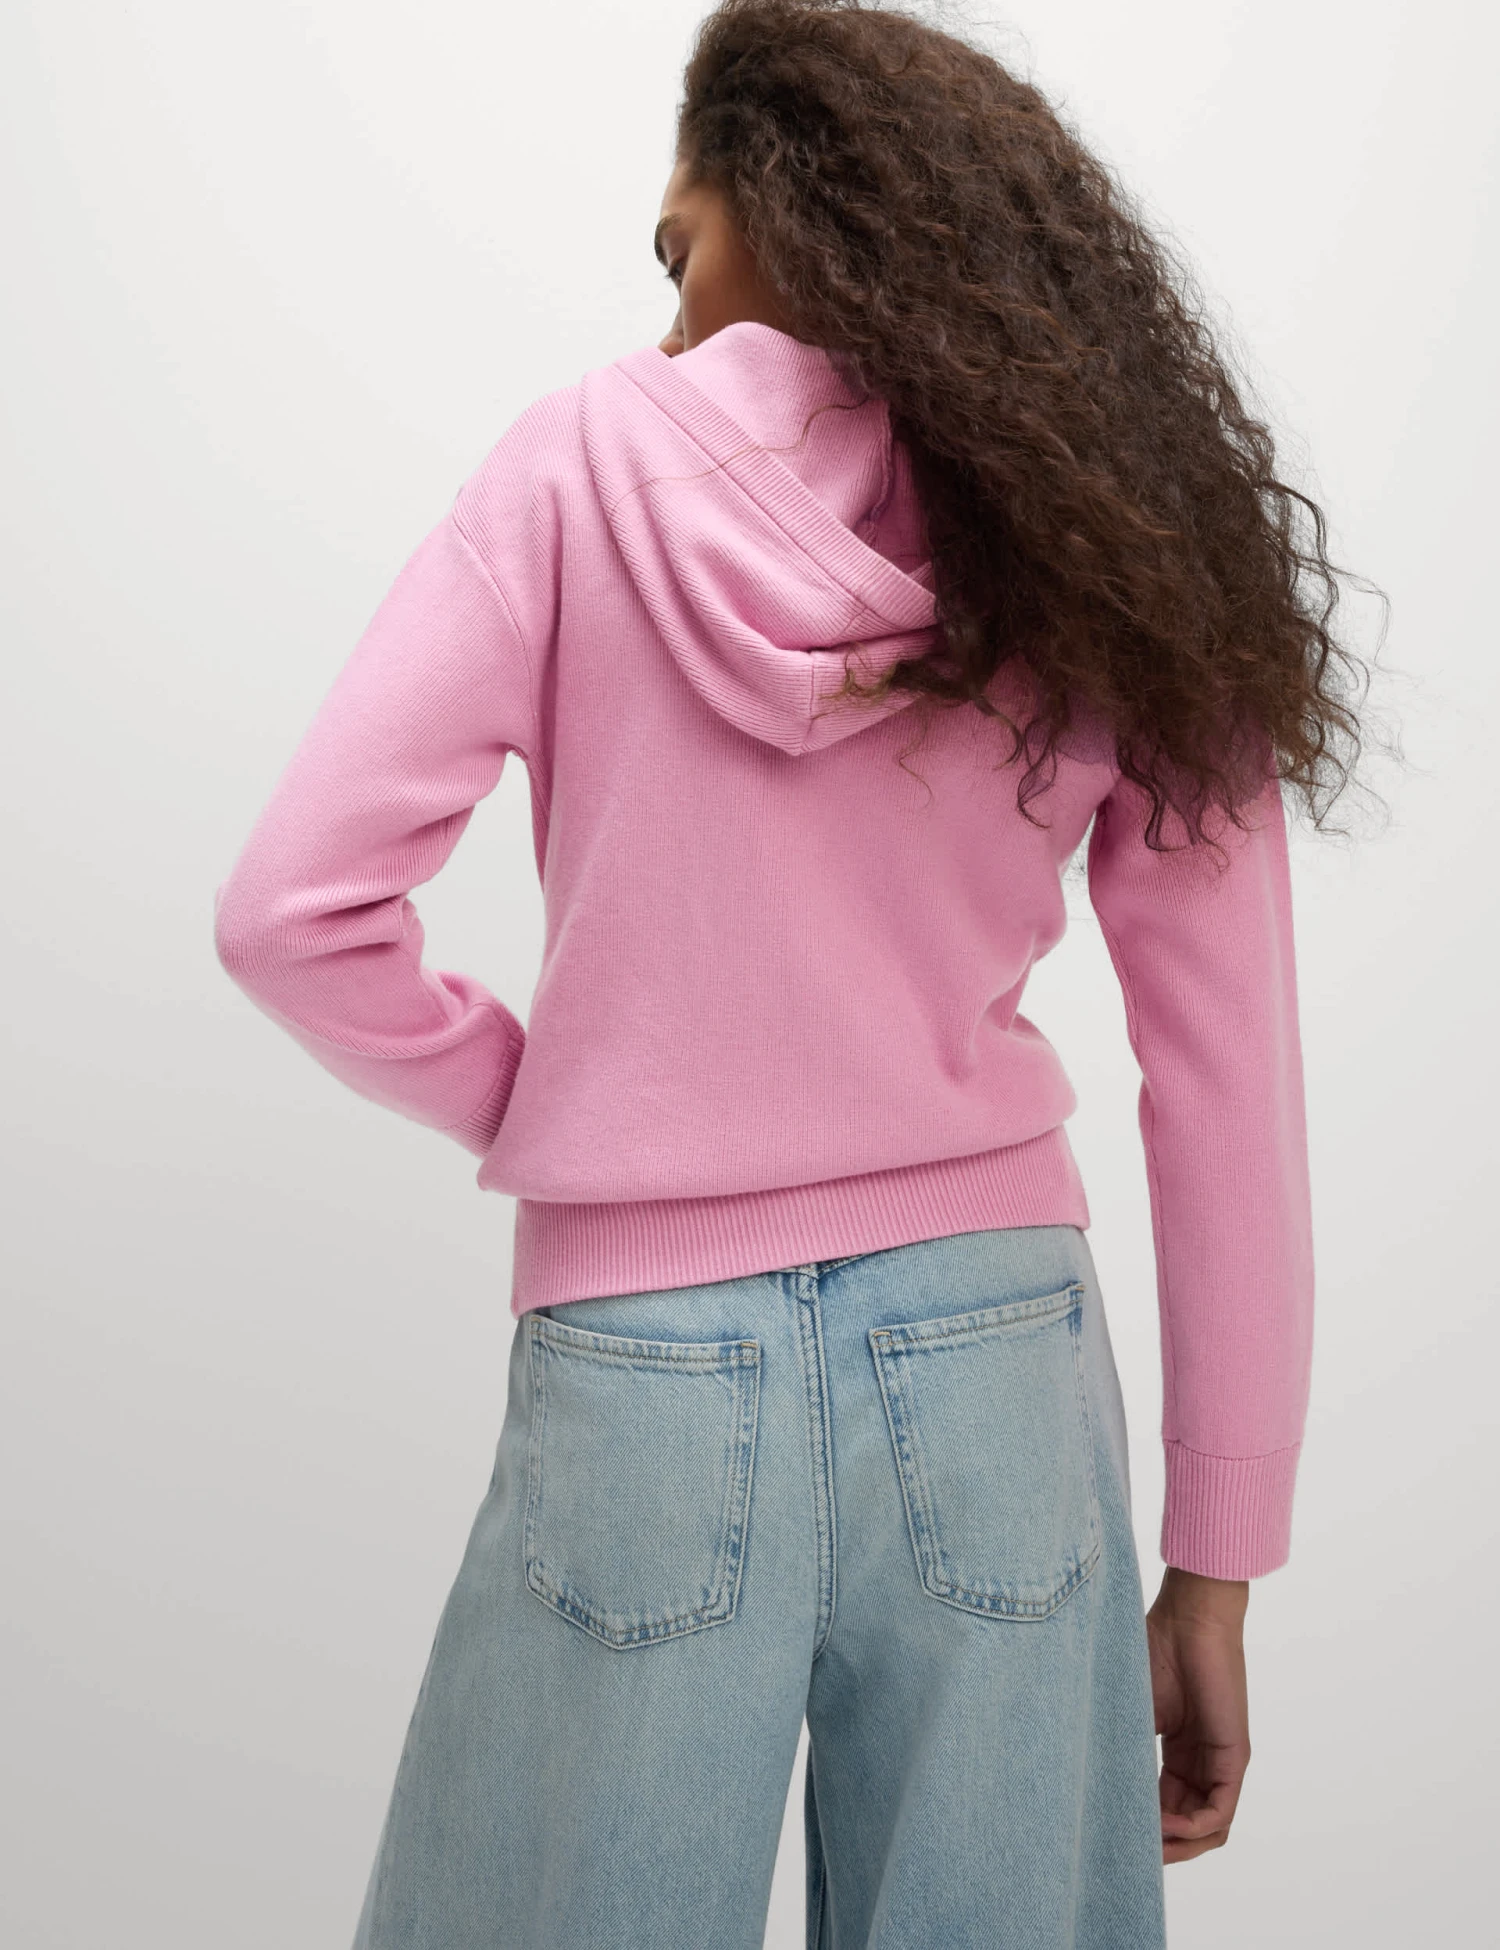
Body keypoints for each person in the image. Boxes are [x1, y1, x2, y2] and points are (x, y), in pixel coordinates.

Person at [213, 3, 1376, 1943]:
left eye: (678, 249)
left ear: (789, 205)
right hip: (1001, 1359)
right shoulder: (1105, 517)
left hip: (644, 1359)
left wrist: (550, 1099)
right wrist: (1221, 1550)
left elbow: (292, 912)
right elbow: (1231, 1080)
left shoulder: (578, 468)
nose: (675, 323)